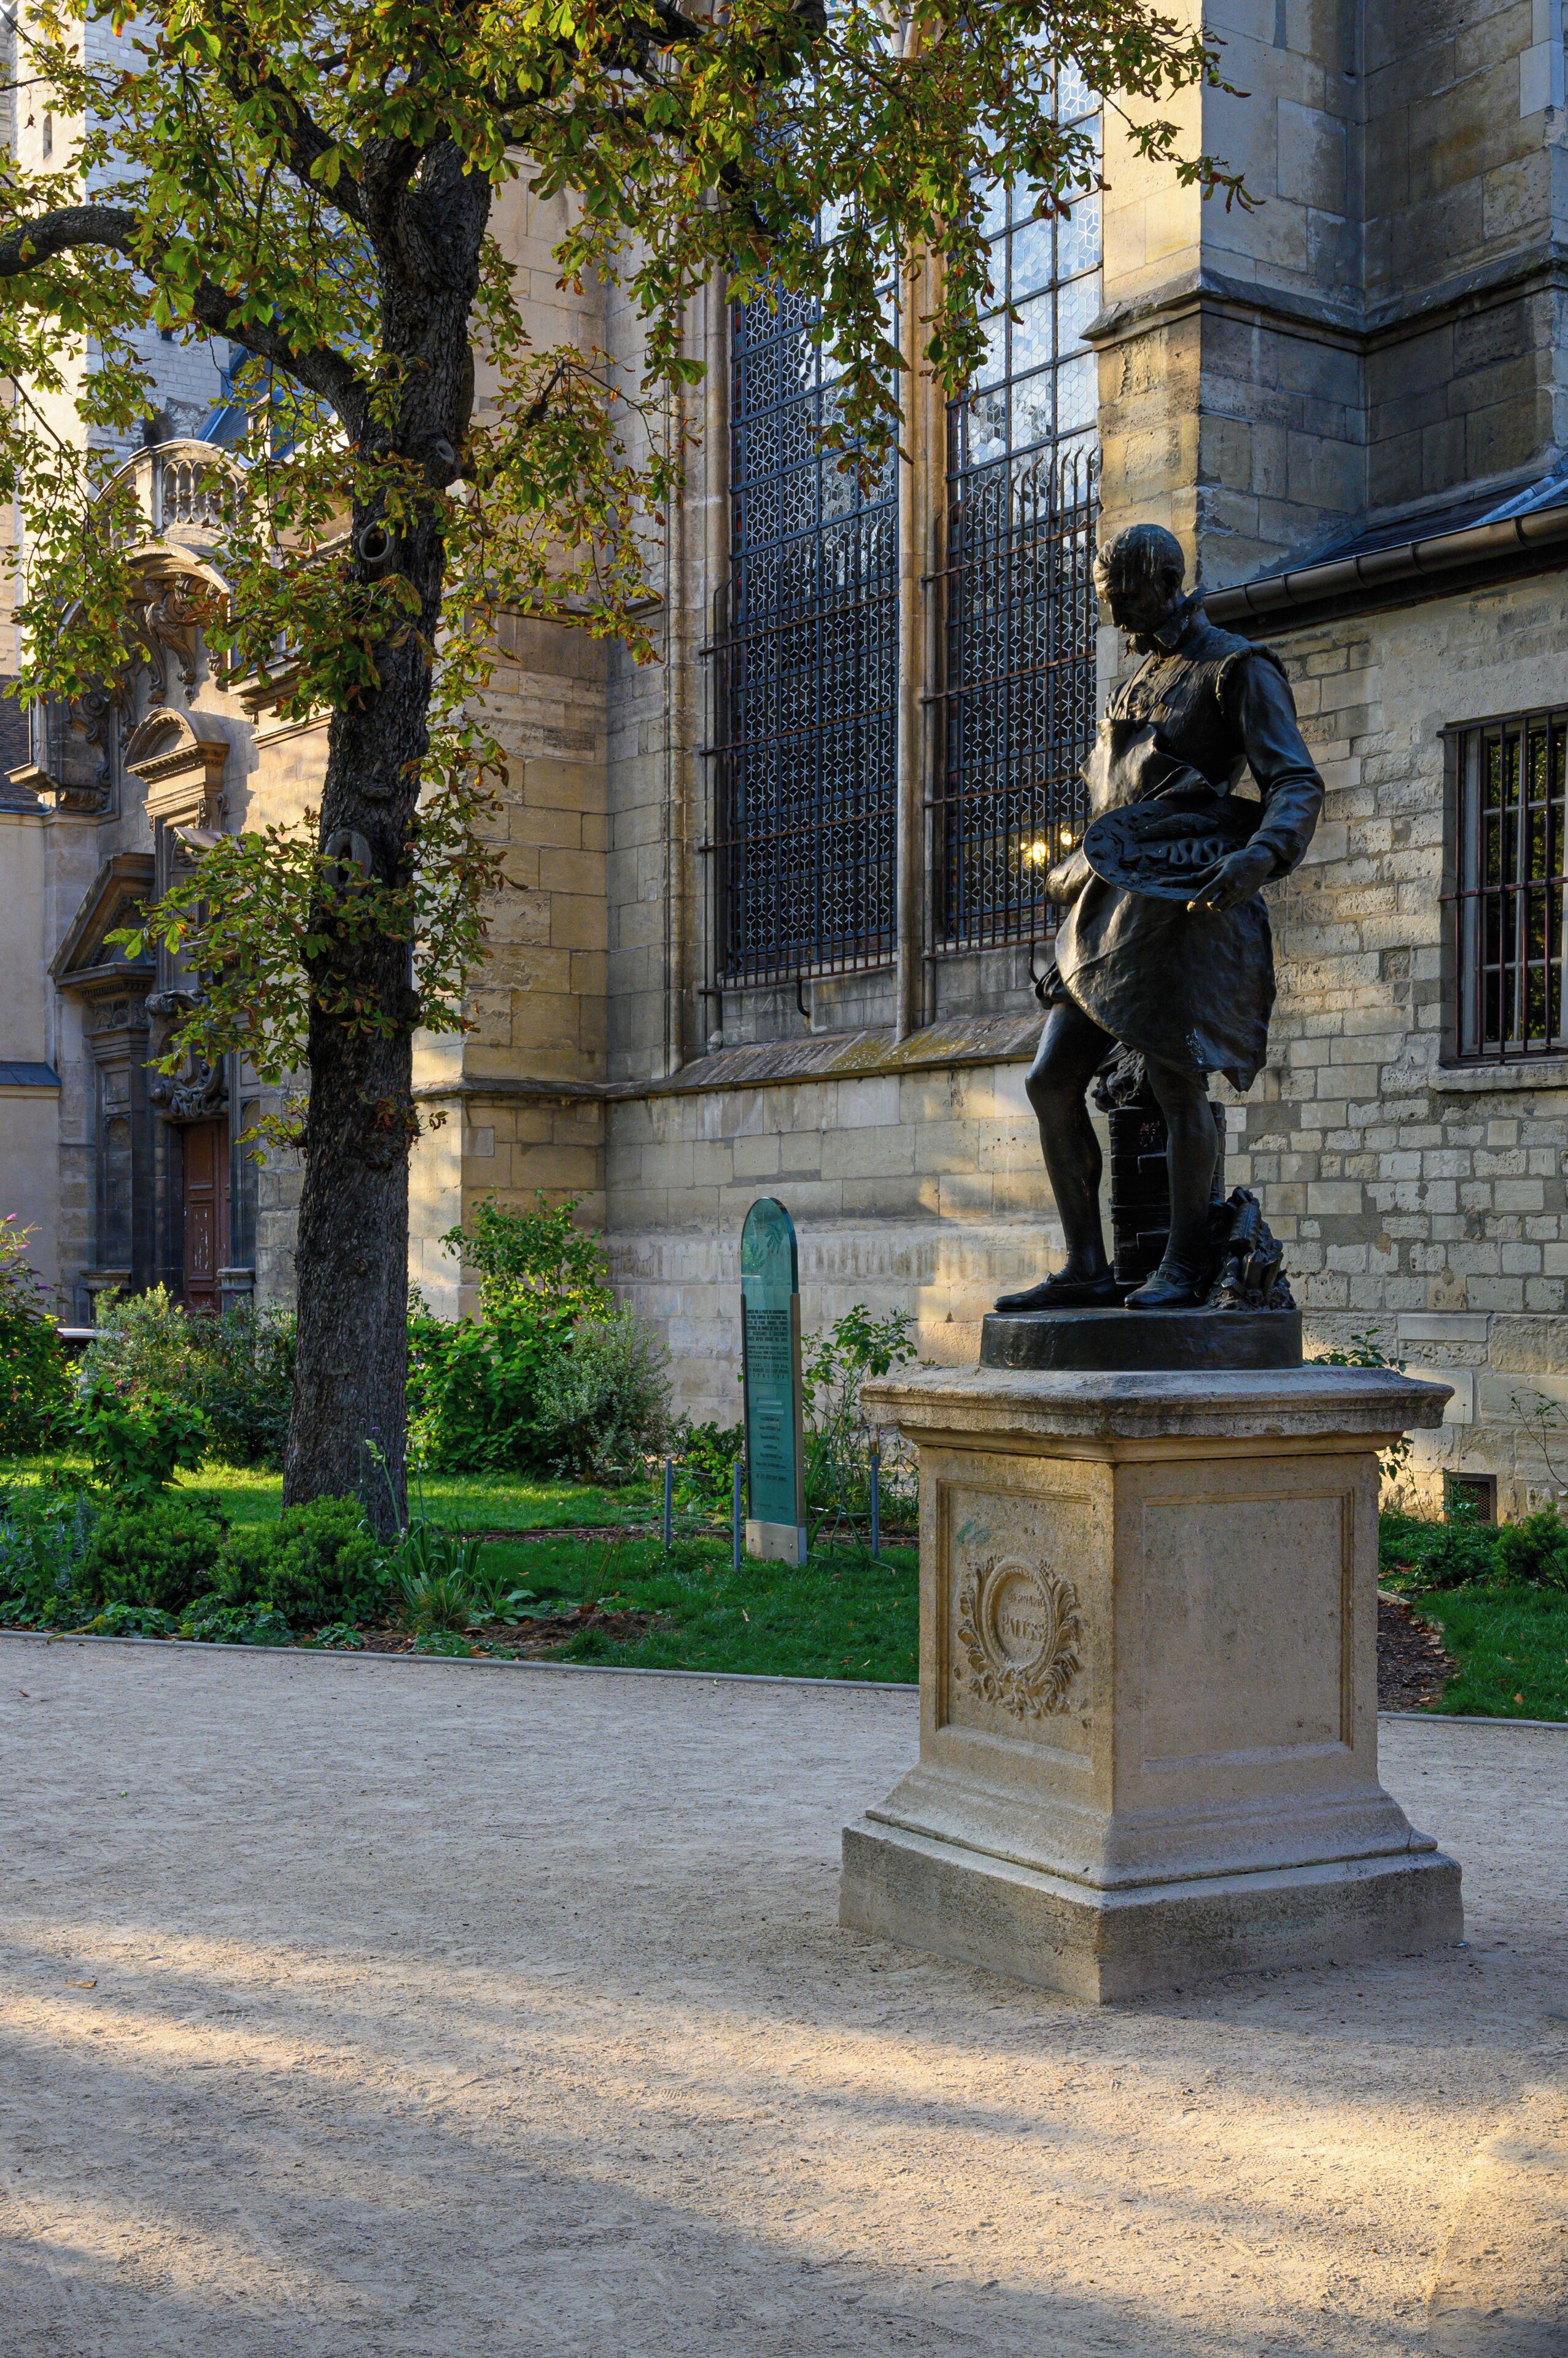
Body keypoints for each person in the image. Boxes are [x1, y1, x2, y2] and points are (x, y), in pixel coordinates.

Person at [997, 523, 1324, 1313]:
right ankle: (1087, 1266)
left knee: (1180, 1086)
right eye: (1107, 599)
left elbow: (1297, 782)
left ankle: (1181, 1266)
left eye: (1128, 597)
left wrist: (1262, 855)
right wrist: (1074, 870)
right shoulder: (1136, 678)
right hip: (1106, 911)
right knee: (1051, 1082)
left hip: (1182, 907)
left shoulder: (1235, 669)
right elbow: (1115, 806)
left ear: (1169, 582)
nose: (1115, 613)